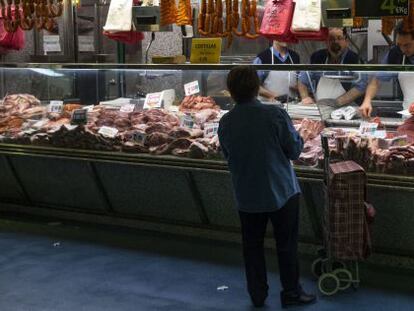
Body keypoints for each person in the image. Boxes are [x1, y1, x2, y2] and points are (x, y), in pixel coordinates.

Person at [218, 66, 316, 309]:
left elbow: (227, 155)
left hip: (247, 194)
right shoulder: (275, 115)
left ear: (230, 91)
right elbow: (294, 150)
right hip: (281, 192)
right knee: (286, 245)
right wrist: (304, 134)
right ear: (256, 89)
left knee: (252, 247)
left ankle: (257, 294)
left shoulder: (226, 122)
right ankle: (291, 293)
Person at [297, 27, 366, 107]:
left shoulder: (355, 59)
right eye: (331, 39)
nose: (335, 41)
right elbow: (302, 78)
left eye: (339, 38)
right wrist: (305, 97)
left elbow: (361, 86)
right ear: (326, 42)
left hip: (347, 109)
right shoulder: (317, 57)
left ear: (346, 42)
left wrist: (336, 103)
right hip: (321, 107)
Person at [360, 21, 414, 118]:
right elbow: (376, 81)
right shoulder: (395, 53)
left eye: (407, 45)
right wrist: (367, 100)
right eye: (399, 44)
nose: (402, 49)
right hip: (408, 116)